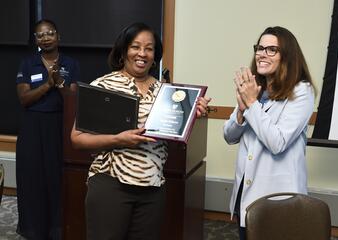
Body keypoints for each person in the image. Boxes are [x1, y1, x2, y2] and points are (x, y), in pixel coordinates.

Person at [70, 22, 211, 240]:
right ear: (124, 50)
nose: (142, 53)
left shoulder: (166, 92)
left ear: (155, 55)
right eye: (135, 47)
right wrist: (118, 139)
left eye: (149, 48)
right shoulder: (103, 85)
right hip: (111, 183)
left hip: (152, 186)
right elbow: (77, 139)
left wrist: (193, 114)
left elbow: (172, 136)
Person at [223, 26, 315, 239]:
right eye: (260, 48)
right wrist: (240, 113)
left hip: (278, 201)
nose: (262, 54)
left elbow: (277, 142)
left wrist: (251, 103)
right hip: (245, 196)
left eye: (271, 49)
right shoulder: (254, 88)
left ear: (287, 56)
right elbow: (229, 136)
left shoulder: (302, 91)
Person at [16, 19, 79, 240]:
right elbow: (24, 98)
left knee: (57, 178)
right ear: (36, 40)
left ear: (58, 36)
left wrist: (59, 82)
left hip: (59, 127)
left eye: (50, 33)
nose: (45, 38)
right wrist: (47, 85)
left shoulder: (70, 64)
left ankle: (58, 230)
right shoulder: (27, 63)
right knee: (32, 179)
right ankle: (34, 230)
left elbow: (72, 100)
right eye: (40, 35)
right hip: (32, 127)